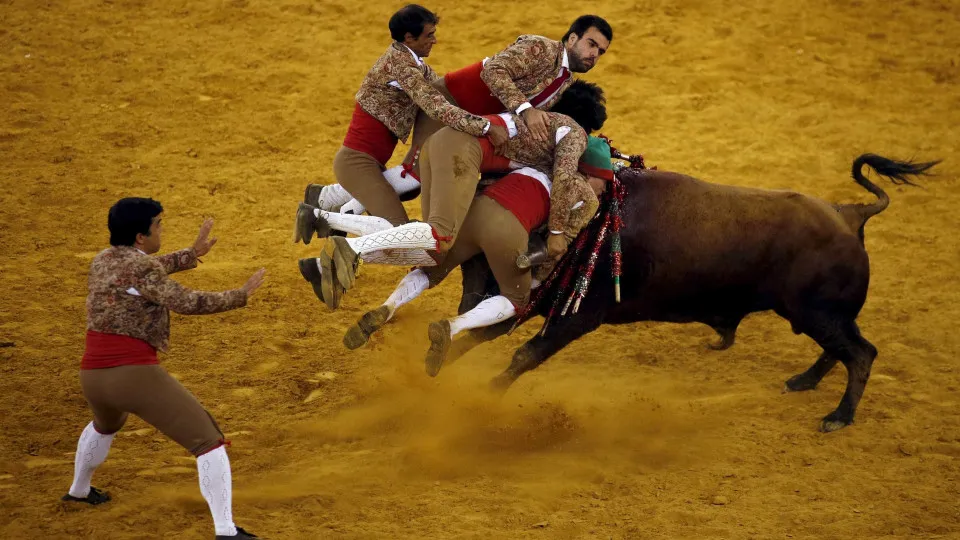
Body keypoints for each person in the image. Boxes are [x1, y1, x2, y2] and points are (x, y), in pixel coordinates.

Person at [298, 82, 610, 310]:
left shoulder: (536, 123)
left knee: (431, 248)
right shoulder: (571, 133)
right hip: (461, 151)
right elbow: (564, 179)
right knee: (439, 236)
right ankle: (349, 242)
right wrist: (556, 232)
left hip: (442, 145)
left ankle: (324, 221)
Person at [61, 197, 266, 540]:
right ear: (141, 237)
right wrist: (240, 295)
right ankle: (226, 531)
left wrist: (190, 254)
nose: (161, 230)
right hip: (132, 375)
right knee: (208, 441)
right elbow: (185, 301)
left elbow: (143, 271)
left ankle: (79, 491)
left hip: (92, 376)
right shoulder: (143, 269)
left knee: (105, 424)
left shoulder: (103, 260)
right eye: (158, 225)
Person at [307, 14, 614, 216]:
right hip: (449, 103)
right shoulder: (541, 48)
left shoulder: (566, 82)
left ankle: (325, 198)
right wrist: (525, 109)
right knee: (416, 177)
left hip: (470, 119)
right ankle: (328, 217)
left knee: (417, 179)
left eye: (601, 52)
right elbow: (494, 71)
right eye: (591, 44)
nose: (594, 55)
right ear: (572, 38)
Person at [313, 4, 508, 227]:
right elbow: (437, 107)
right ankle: (319, 219)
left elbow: (443, 91)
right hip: (357, 164)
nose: (434, 40)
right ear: (409, 37)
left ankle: (328, 202)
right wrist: (485, 127)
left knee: (410, 190)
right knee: (395, 229)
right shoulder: (402, 66)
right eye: (429, 35)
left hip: (369, 164)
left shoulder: (412, 60)